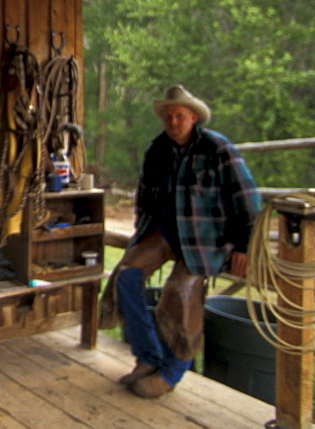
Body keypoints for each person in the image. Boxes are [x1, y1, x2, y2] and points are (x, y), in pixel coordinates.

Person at [100, 85, 261, 398]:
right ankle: (148, 357)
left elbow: (247, 197)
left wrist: (244, 246)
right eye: (168, 116)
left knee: (181, 291)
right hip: (163, 233)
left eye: (180, 116)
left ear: (193, 117)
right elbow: (144, 199)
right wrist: (141, 234)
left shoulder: (217, 147)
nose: (173, 122)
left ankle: (172, 372)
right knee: (125, 276)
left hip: (206, 238)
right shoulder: (156, 150)